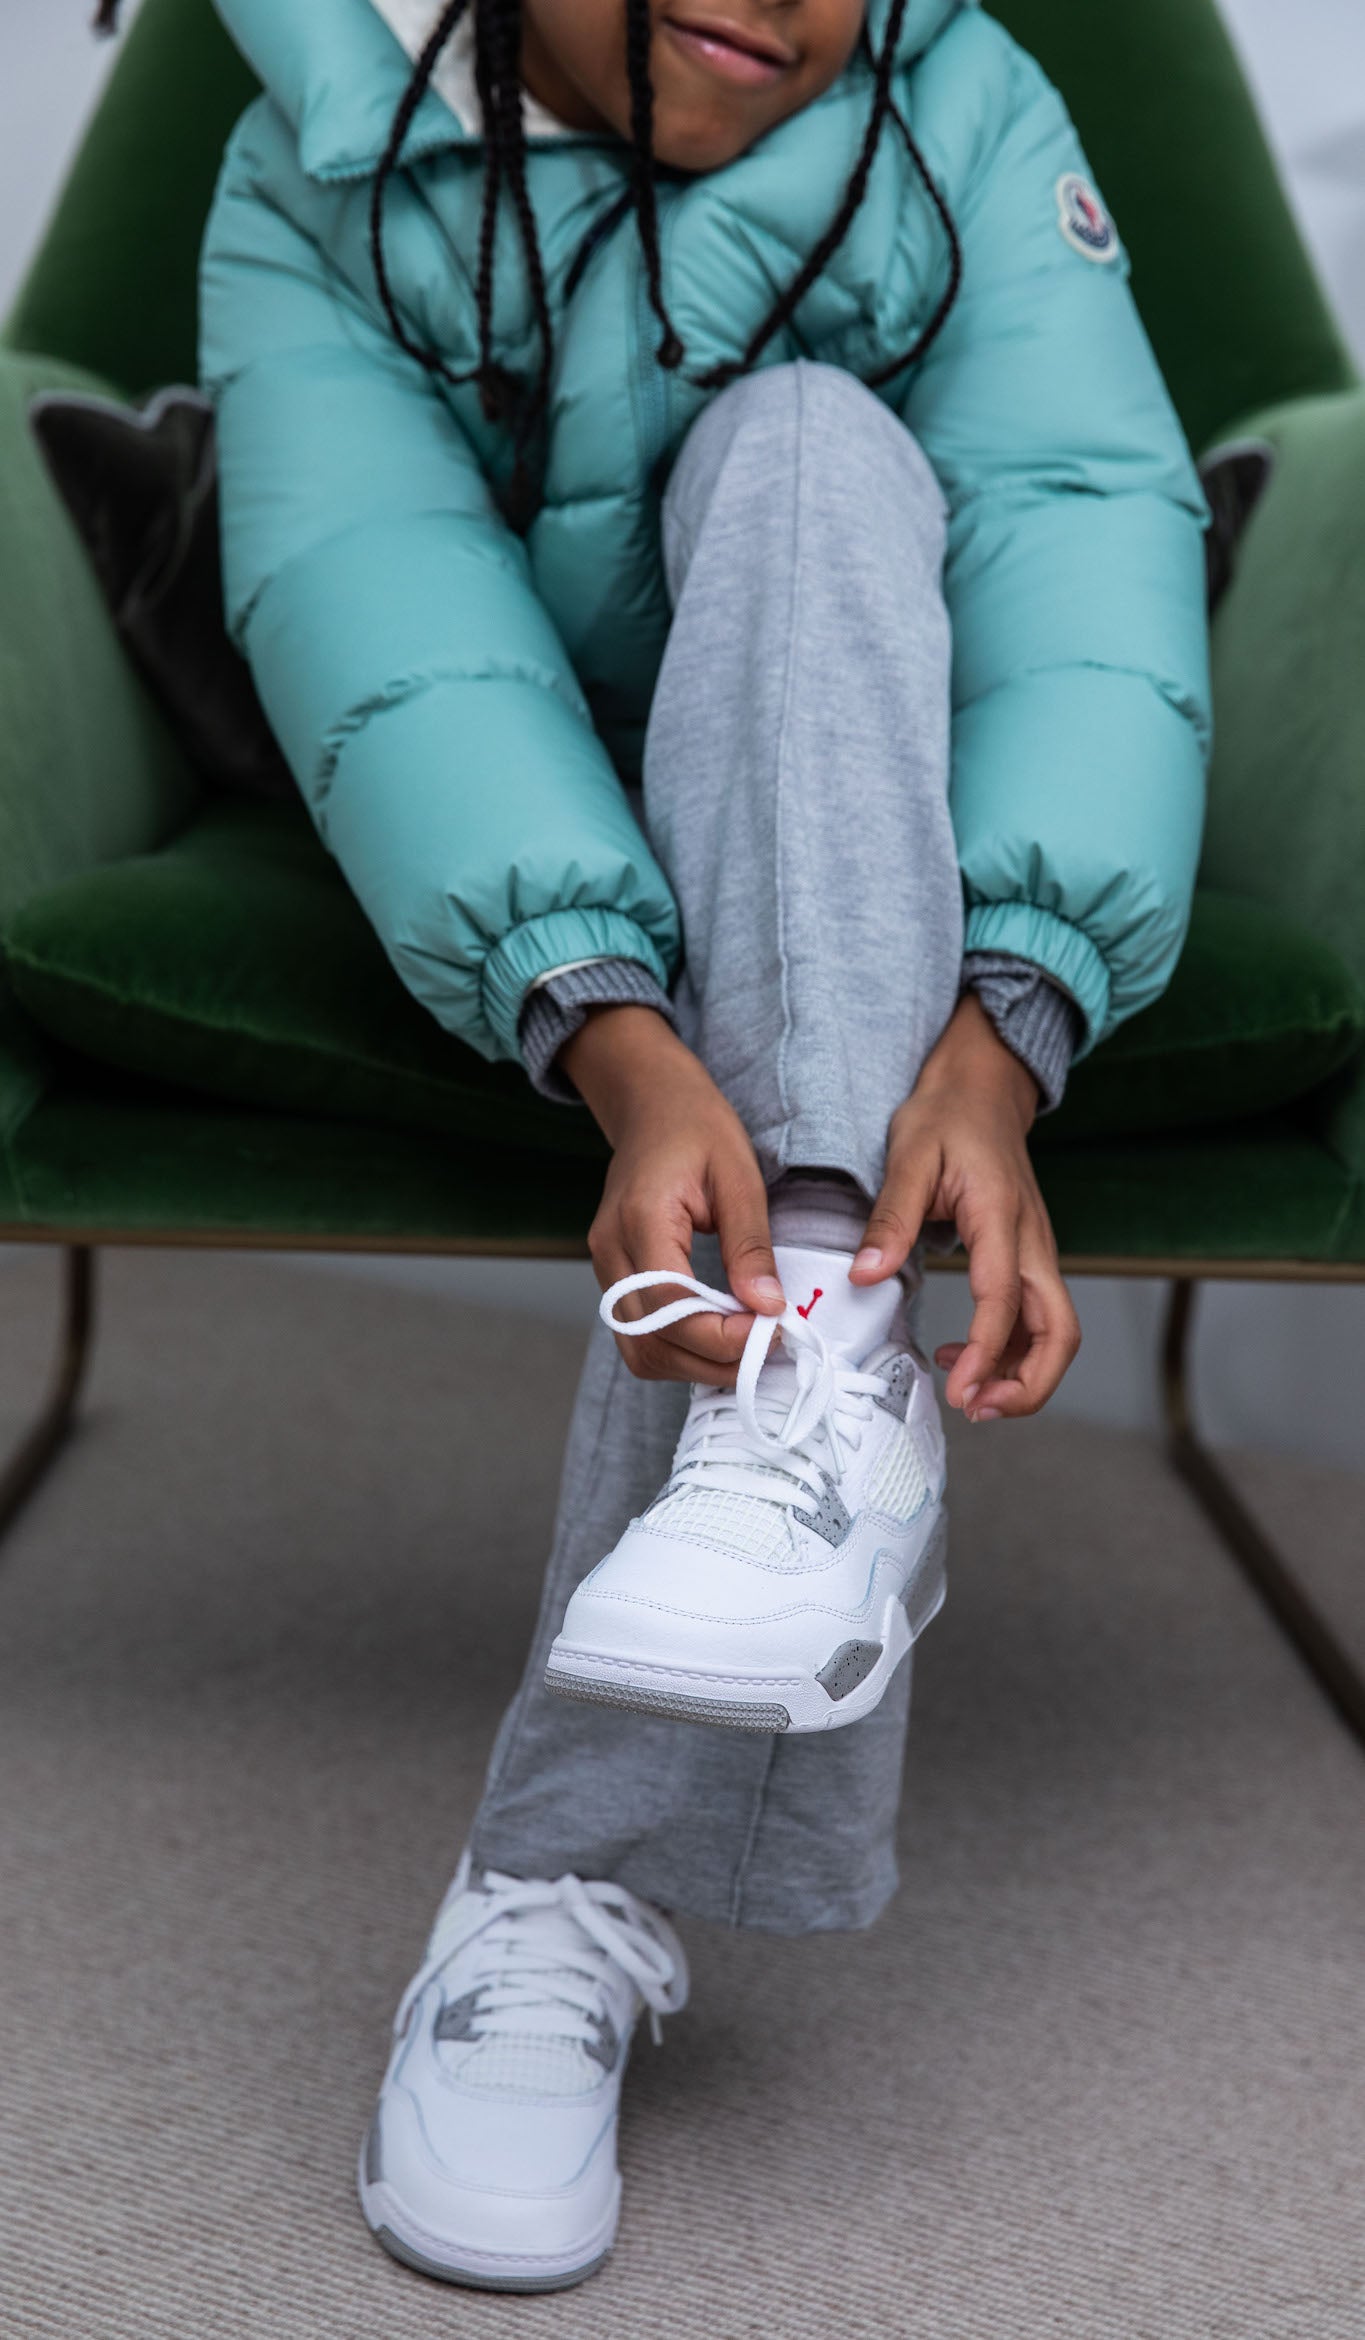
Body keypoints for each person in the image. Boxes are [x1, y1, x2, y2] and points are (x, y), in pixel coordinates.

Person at [198, 0, 1210, 2293]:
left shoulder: (960, 105)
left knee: (810, 445)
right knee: (775, 477)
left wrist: (1007, 1019)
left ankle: (567, 1865)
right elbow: (392, 624)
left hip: (899, 789)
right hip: (569, 804)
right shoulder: (316, 166)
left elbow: (1077, 535)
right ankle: (808, 1423)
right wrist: (621, 1040)